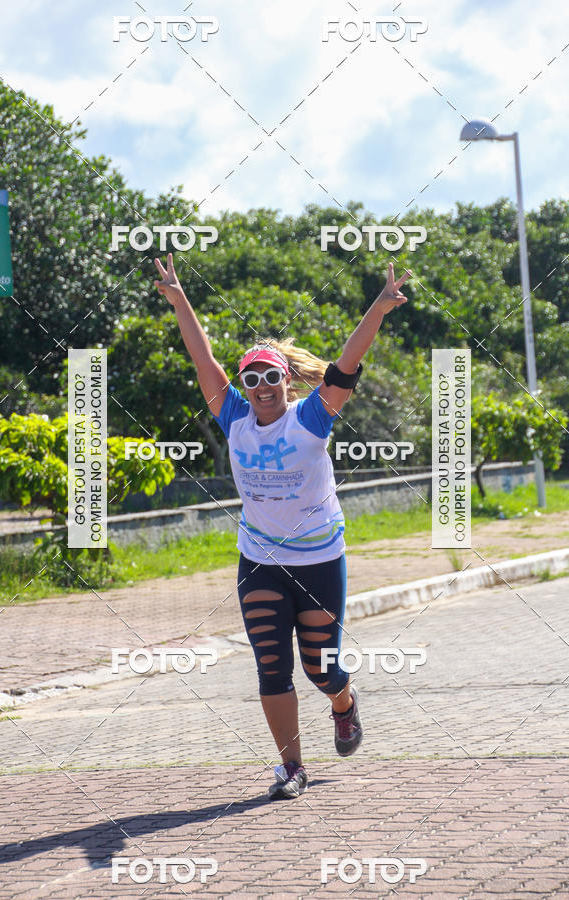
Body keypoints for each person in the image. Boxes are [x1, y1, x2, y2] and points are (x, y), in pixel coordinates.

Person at [154, 253, 411, 799]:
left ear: (287, 382)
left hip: (318, 561)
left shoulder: (312, 416)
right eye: (253, 378)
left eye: (272, 376)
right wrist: (181, 301)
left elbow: (346, 365)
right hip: (261, 561)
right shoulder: (234, 419)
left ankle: (343, 703)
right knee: (272, 669)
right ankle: (292, 768)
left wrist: (380, 307)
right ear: (244, 385)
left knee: (322, 671)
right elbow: (202, 360)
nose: (263, 386)